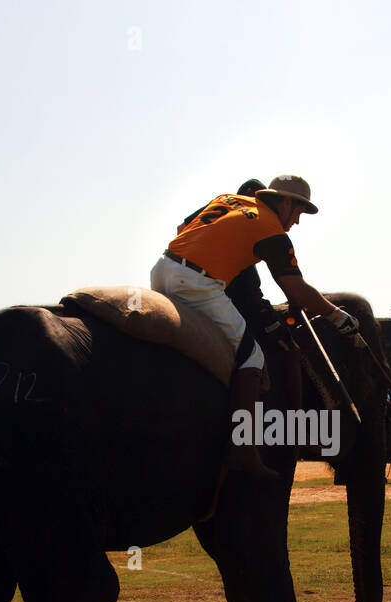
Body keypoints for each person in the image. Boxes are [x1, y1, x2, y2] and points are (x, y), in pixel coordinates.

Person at [152, 175, 363, 478]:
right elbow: (296, 289)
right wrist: (337, 317)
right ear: (286, 202)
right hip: (197, 284)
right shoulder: (270, 228)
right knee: (252, 358)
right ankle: (244, 450)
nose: (297, 222)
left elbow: (182, 230)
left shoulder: (230, 200)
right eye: (299, 212)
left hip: (163, 269)